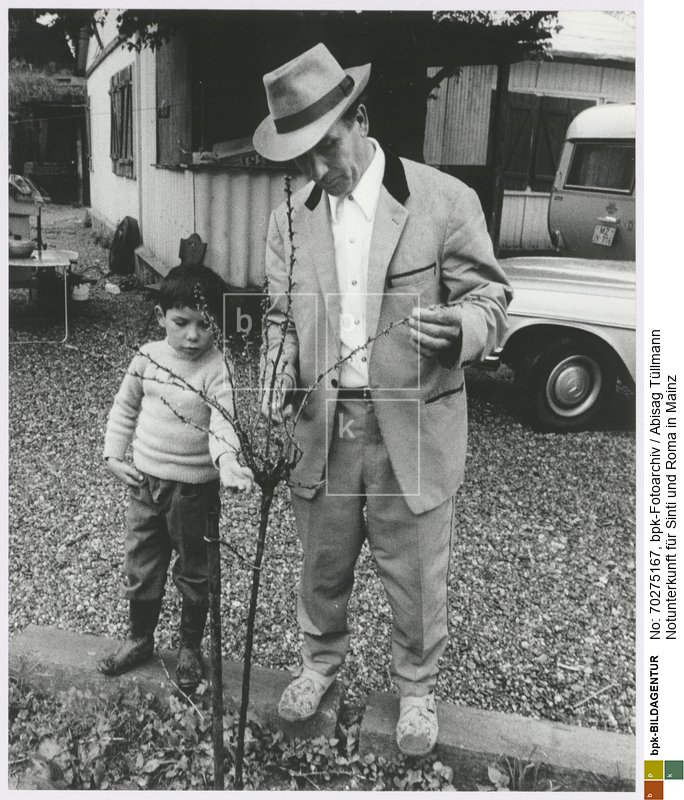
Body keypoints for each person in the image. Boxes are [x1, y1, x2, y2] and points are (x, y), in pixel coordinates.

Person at [254, 43, 512, 756]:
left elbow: (493, 302)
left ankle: (417, 690)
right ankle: (319, 665)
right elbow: (279, 316)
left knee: (416, 571)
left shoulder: (443, 201)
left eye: (325, 147)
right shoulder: (289, 220)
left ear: (359, 118)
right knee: (322, 564)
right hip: (325, 424)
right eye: (299, 155)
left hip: (414, 425)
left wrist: (461, 326)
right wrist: (277, 367)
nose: (315, 169)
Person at [99, 265, 253, 692]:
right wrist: (113, 453)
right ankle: (139, 638)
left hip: (193, 491)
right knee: (141, 561)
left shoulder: (217, 368)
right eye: (180, 322)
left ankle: (189, 646)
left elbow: (224, 423)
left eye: (205, 325)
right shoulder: (147, 357)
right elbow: (125, 407)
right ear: (160, 315)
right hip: (144, 484)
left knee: (194, 569)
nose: (192, 335)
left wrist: (226, 463)